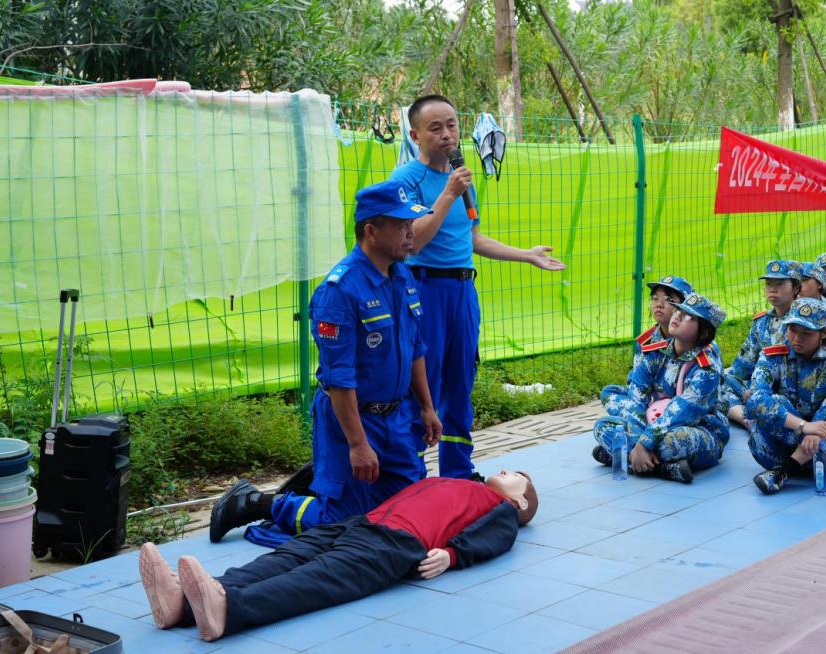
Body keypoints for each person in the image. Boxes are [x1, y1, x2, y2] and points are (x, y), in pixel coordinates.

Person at [209, 181, 442, 545]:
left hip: (396, 420)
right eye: (401, 225)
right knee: (342, 525)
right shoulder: (340, 291)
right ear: (371, 232)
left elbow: (415, 348)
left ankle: (328, 485)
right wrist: (358, 444)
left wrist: (427, 407)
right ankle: (258, 503)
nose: (411, 232)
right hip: (353, 420)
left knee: (408, 512)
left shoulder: (403, 277)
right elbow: (339, 378)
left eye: (410, 223)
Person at [140, 471, 539, 642]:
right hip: (363, 523)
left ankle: (229, 609)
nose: (506, 471)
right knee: (287, 557)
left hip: (396, 543)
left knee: (317, 578)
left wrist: (452, 555)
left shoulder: (500, 510)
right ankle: (183, 604)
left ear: (520, 502)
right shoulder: (464, 484)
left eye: (516, 476)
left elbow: (497, 537)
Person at [389, 94, 565, 480]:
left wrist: (526, 255)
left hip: (463, 292)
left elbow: (472, 239)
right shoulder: (405, 181)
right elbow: (413, 242)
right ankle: (409, 474)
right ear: (415, 136)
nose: (446, 134)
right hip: (424, 290)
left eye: (451, 125)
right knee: (423, 384)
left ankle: (458, 471)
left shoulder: (462, 178)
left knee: (460, 381)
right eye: (435, 128)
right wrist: (448, 193)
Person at [594, 292, 730, 483]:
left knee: (674, 441)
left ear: (703, 332)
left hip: (700, 431)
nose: (678, 316)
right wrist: (641, 442)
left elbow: (681, 411)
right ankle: (661, 468)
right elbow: (636, 400)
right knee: (603, 426)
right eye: (679, 311)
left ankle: (621, 457)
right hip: (653, 425)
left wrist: (644, 443)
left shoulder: (707, 369)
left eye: (688, 316)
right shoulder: (653, 353)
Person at [745, 298, 826, 494]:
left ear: (824, 333)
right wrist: (805, 427)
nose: (796, 338)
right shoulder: (772, 355)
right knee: (774, 401)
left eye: (806, 333)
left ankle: (786, 470)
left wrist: (820, 430)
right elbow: (755, 400)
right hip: (779, 447)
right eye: (792, 330)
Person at [723, 260, 802, 427]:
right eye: (768, 284)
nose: (772, 289)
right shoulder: (761, 322)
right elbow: (742, 367)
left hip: (793, 392)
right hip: (760, 388)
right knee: (719, 381)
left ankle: (756, 414)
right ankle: (746, 419)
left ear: (795, 288)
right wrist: (748, 387)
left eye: (779, 284)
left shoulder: (805, 323)